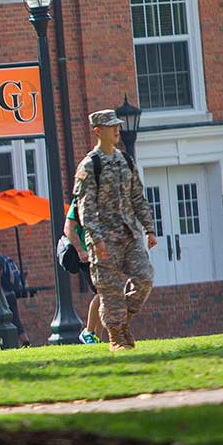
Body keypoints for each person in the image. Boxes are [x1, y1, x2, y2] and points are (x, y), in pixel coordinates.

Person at [71, 108, 157, 352]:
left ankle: (121, 323)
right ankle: (116, 336)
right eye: (111, 126)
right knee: (109, 291)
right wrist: (95, 240)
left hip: (129, 235)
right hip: (104, 241)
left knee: (145, 278)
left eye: (117, 125)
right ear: (98, 131)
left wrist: (149, 229)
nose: (117, 130)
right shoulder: (90, 165)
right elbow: (84, 208)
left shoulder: (126, 161)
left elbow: (138, 198)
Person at [64, 201, 104, 345]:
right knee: (103, 292)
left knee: (105, 294)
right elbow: (68, 228)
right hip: (88, 256)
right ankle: (88, 332)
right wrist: (80, 250)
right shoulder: (80, 199)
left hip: (103, 254)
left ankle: (96, 338)